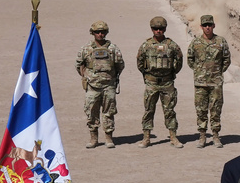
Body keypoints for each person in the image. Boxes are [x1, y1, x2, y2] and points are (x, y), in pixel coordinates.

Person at [75, 20, 125, 148]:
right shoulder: (86, 49)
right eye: (97, 32)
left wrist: (111, 77)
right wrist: (88, 77)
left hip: (108, 85)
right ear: (93, 33)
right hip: (92, 86)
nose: (100, 34)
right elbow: (79, 65)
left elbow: (120, 65)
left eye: (103, 32)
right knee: (91, 112)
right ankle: (94, 138)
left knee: (109, 112)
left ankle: (109, 138)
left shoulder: (113, 49)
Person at [136, 16, 184, 147]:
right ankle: (146, 138)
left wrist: (171, 74)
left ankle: (173, 137)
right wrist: (148, 75)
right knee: (148, 110)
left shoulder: (172, 45)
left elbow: (179, 62)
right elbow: (140, 62)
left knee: (169, 110)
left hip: (167, 83)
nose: (158, 31)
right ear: (152, 29)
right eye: (156, 29)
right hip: (151, 83)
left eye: (161, 28)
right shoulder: (146, 45)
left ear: (165, 29)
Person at [187, 14, 231, 148]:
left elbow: (226, 59)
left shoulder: (220, 41)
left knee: (216, 109)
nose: (207, 27)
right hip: (200, 83)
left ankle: (216, 136)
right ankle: (202, 136)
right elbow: (190, 59)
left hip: (216, 83)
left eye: (209, 25)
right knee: (201, 110)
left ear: (213, 26)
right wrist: (199, 71)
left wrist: (217, 72)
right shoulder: (195, 43)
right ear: (201, 27)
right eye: (205, 25)